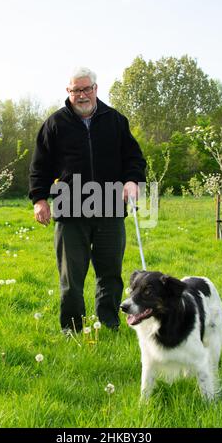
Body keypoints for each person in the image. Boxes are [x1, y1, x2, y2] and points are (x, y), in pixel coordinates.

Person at [29, 67, 146, 333]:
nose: (82, 95)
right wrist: (39, 199)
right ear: (68, 92)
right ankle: (72, 329)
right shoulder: (55, 124)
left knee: (110, 275)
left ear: (95, 88)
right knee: (71, 278)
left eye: (86, 89)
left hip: (109, 207)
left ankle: (110, 324)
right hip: (70, 210)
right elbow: (39, 166)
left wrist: (131, 180)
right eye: (76, 90)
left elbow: (134, 159)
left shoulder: (115, 120)